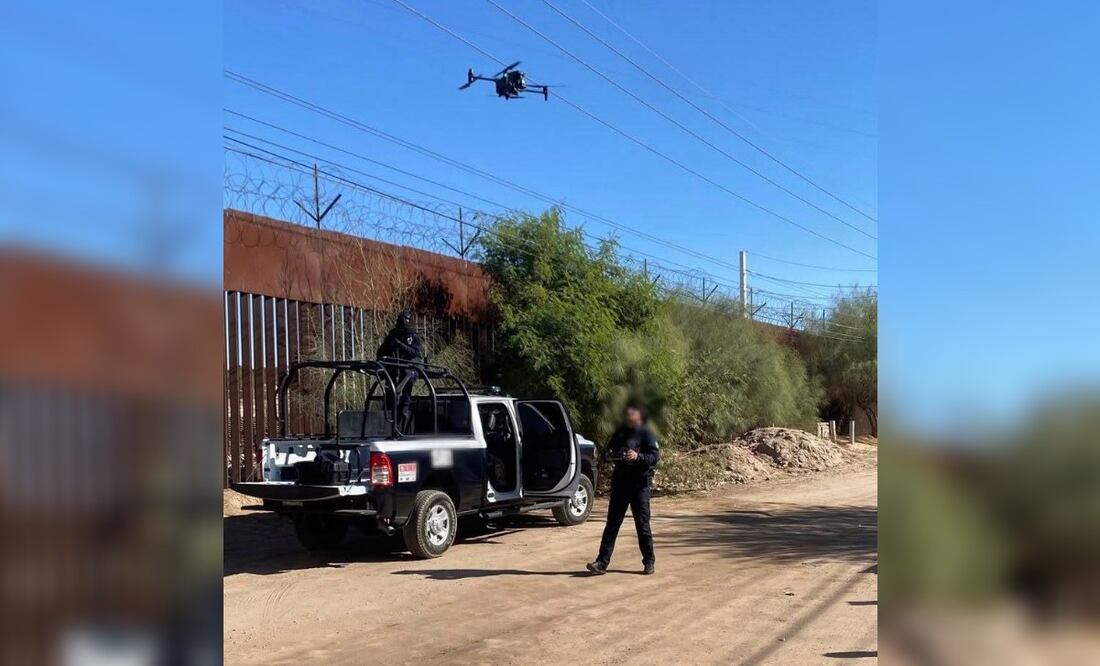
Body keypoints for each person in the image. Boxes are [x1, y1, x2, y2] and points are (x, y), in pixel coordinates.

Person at [587, 405, 660, 576]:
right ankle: (601, 563)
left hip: (639, 486)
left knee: (642, 526)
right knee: (612, 525)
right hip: (620, 484)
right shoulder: (619, 433)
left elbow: (654, 457)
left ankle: (649, 561)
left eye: (632, 413)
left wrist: (637, 457)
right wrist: (610, 455)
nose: (628, 416)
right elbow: (607, 453)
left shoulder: (646, 433)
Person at [376, 310, 423, 432]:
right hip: (394, 367)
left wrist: (401, 345)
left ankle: (405, 406)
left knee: (407, 379)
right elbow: (381, 351)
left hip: (409, 367)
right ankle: (389, 413)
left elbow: (416, 353)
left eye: (405, 320)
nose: (402, 323)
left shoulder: (412, 337)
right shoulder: (393, 336)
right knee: (390, 389)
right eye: (400, 320)